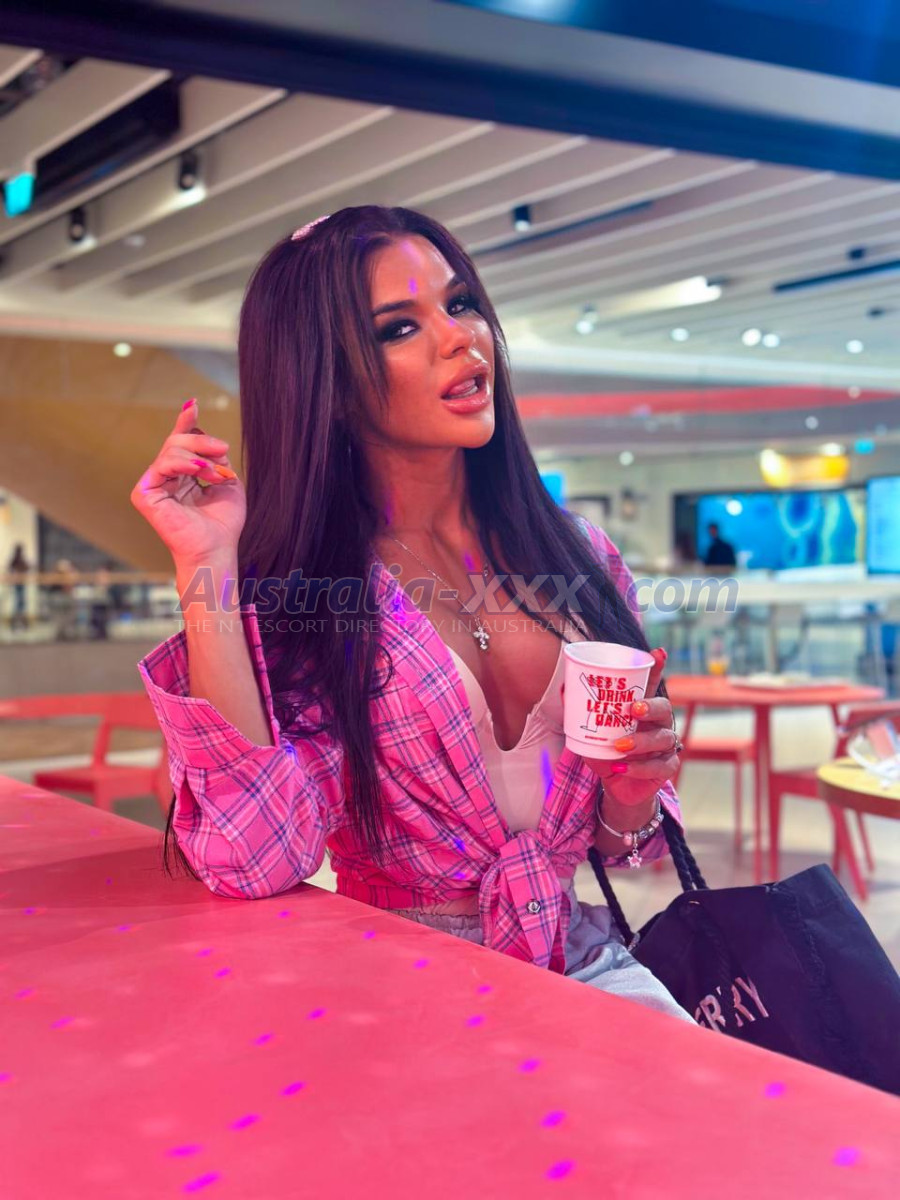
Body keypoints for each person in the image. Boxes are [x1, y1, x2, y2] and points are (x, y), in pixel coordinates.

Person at [131, 207, 694, 1023]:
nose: (461, 338)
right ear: (326, 384)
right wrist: (206, 563)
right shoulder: (313, 596)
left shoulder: (580, 556)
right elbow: (253, 857)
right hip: (401, 982)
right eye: (400, 327)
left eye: (460, 304)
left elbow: (617, 842)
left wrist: (635, 789)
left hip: (581, 959)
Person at [6, 543, 30, 632]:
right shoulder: (15, 560)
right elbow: (10, 569)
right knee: (18, 604)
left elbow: (27, 568)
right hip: (17, 585)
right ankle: (16, 624)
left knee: (21, 604)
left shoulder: (22, 560)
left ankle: (22, 624)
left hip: (21, 584)